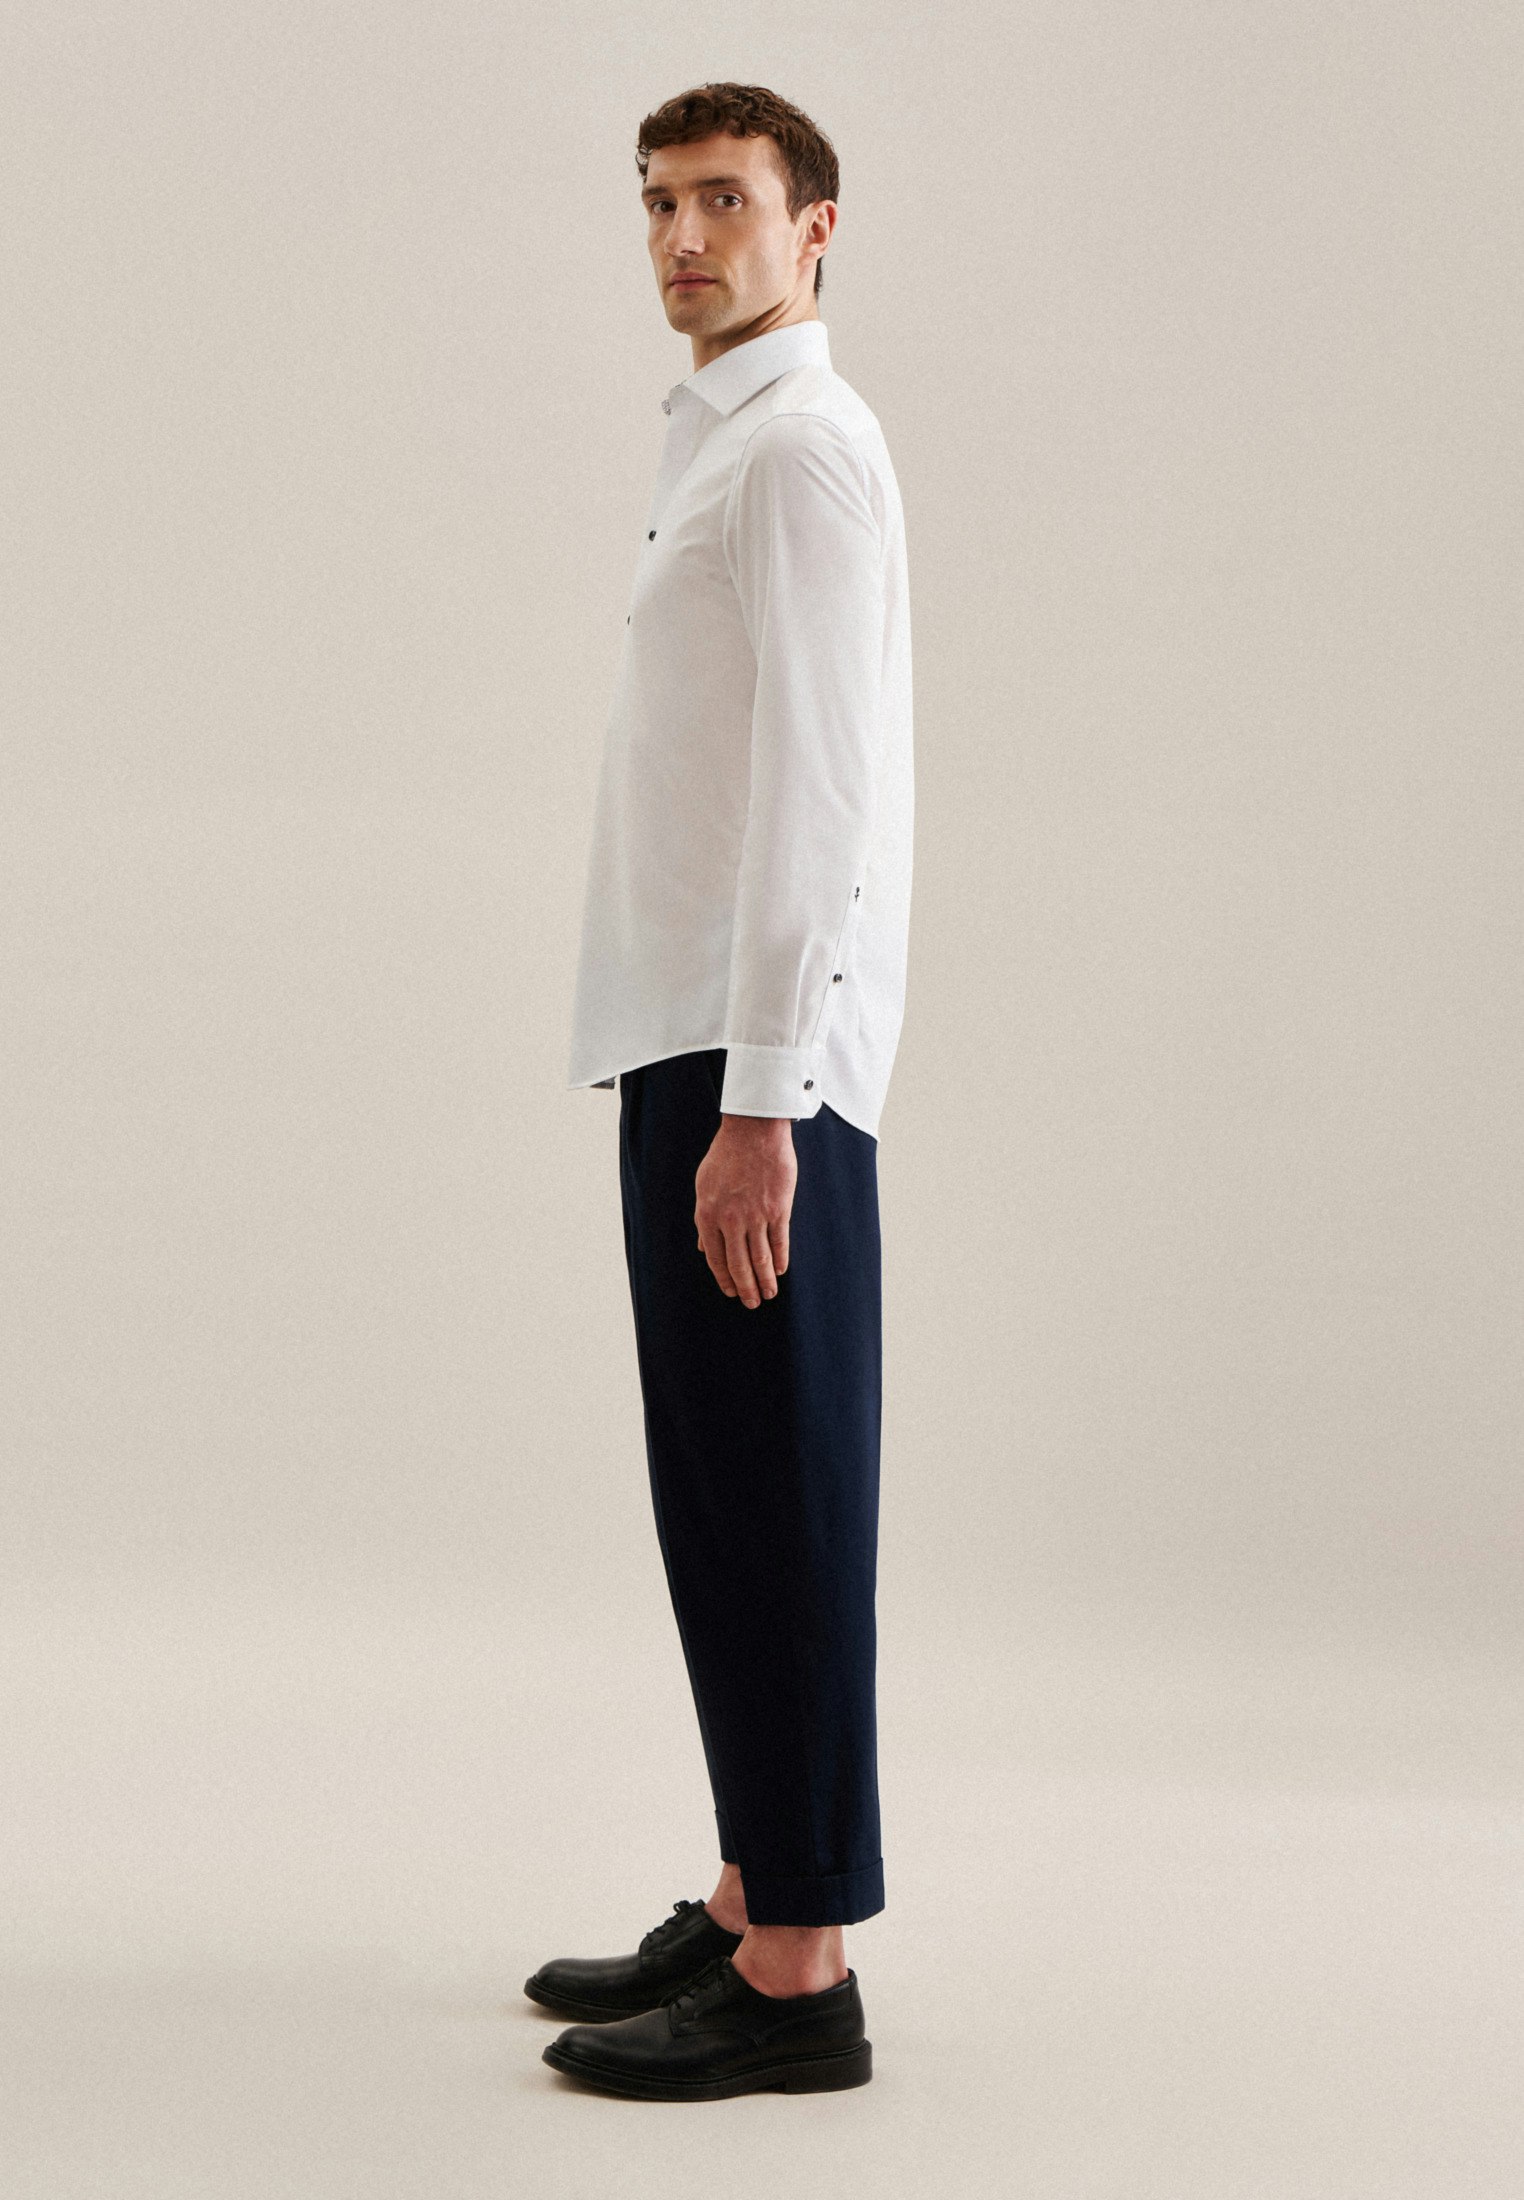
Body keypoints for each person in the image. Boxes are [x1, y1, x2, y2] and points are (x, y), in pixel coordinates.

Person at [530, 80, 914, 2102]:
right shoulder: (724, 448)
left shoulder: (804, 455)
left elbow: (819, 799)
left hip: (757, 1065)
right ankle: (758, 1874)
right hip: (691, 1042)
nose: (683, 237)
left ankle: (801, 1970)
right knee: (724, 1493)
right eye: (659, 203)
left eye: (724, 200)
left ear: (812, 224)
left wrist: (765, 1100)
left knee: (781, 1493)